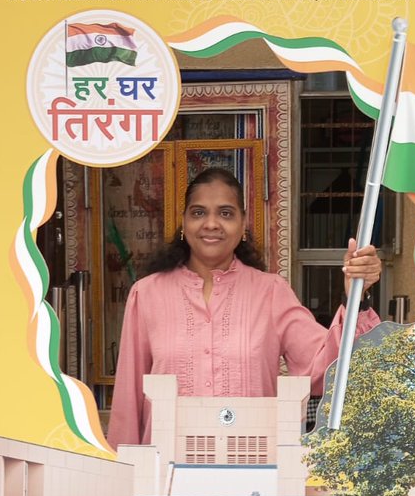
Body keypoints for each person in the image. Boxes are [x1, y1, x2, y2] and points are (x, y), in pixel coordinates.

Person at [106, 167, 382, 448]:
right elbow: (128, 399)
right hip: (166, 473)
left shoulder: (270, 292)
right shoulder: (148, 294)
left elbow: (324, 371)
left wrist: (355, 297)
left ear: (242, 224)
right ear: (184, 222)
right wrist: (125, 477)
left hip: (254, 469)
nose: (211, 223)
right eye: (198, 212)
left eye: (225, 213)